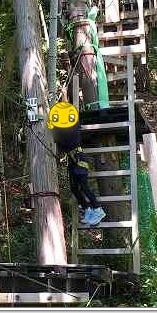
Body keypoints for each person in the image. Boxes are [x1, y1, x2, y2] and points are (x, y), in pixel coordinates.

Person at [50, 87, 106, 226]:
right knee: (75, 189)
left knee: (83, 186)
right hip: (73, 161)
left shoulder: (71, 126)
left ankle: (98, 209)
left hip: (79, 159)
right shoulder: (62, 130)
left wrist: (63, 96)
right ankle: (88, 209)